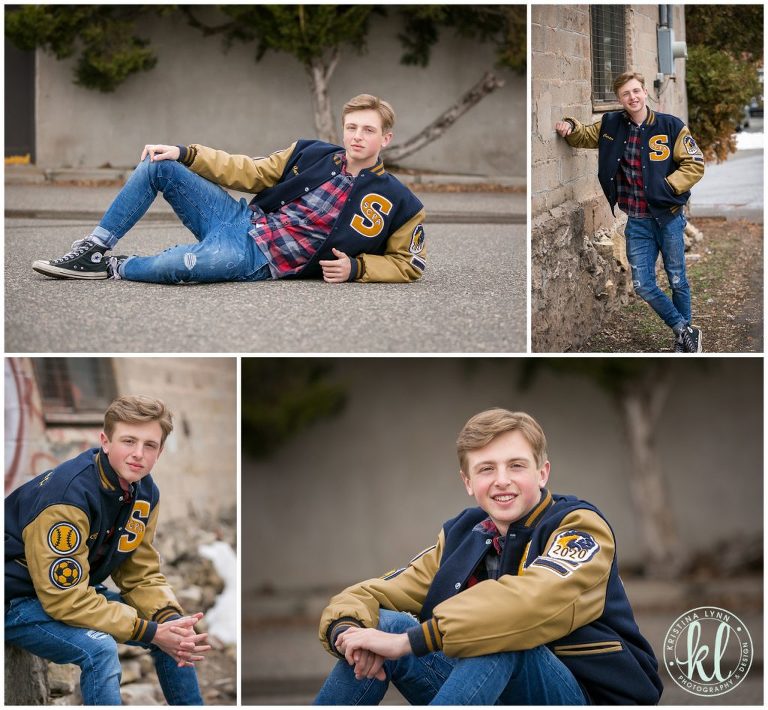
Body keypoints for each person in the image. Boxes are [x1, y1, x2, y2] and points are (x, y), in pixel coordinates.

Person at [314, 408, 663, 705]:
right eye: (486, 469)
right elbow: (373, 592)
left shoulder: (579, 527)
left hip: (585, 696)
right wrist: (348, 632)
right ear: (468, 482)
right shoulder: (463, 533)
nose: (502, 481)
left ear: (542, 473)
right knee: (384, 623)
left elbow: (525, 606)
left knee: (501, 635)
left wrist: (410, 642)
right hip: (490, 690)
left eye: (516, 466)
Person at [31, 94, 426, 285]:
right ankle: (93, 249)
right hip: (239, 219)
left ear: (386, 139)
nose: (357, 136)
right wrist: (186, 154)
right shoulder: (310, 152)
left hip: (256, 256)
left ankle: (113, 268)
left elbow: (409, 264)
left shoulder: (402, 202)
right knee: (159, 165)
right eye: (352, 127)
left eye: (368, 130)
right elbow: (250, 171)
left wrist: (358, 268)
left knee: (178, 267)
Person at [5, 395, 210, 705]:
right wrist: (149, 631)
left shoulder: (144, 492)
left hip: (67, 593)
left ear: (160, 451)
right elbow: (65, 599)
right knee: (100, 649)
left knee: (174, 631)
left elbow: (139, 573)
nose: (138, 454)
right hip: (16, 600)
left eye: (150, 445)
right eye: (128, 441)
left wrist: (169, 620)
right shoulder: (67, 498)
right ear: (105, 440)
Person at [555, 71, 705, 353]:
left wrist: (667, 187)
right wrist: (569, 127)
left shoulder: (670, 126)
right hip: (637, 221)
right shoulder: (612, 125)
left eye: (636, 91)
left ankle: (682, 341)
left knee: (676, 278)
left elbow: (695, 164)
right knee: (643, 284)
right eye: (626, 94)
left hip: (668, 217)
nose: (632, 97)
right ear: (619, 98)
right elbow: (585, 136)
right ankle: (685, 330)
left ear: (645, 92)